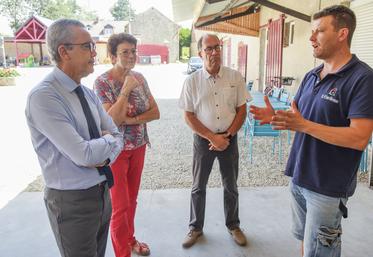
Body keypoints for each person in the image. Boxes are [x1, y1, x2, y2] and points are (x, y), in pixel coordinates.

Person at [250, 5, 373, 257]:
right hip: (299, 176)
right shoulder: (311, 75)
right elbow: (299, 117)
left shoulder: (362, 79)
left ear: (342, 34)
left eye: (319, 31)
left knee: (321, 252)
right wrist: (278, 117)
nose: (311, 37)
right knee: (307, 245)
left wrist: (303, 125)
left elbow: (359, 137)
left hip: (327, 188)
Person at [25, 19, 123, 257]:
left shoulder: (87, 93)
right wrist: (107, 142)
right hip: (72, 203)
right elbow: (84, 154)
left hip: (101, 193)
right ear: (63, 51)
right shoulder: (44, 97)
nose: (94, 52)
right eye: (87, 46)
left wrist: (105, 149)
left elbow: (118, 135)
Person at [179, 34, 251, 248]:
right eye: (209, 49)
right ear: (200, 53)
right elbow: (189, 116)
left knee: (231, 185)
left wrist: (226, 136)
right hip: (203, 141)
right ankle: (195, 228)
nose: (214, 52)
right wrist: (212, 137)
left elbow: (241, 110)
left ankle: (234, 225)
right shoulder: (192, 81)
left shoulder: (234, 77)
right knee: (198, 186)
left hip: (229, 139)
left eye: (217, 47)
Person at [94, 33, 160, 257]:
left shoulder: (140, 77)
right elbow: (112, 120)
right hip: (116, 152)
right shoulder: (102, 82)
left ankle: (130, 240)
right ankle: (123, 253)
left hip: (139, 146)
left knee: (132, 200)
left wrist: (130, 120)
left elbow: (155, 112)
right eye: (125, 52)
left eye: (133, 51)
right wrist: (126, 89)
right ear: (112, 56)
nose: (131, 56)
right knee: (119, 206)